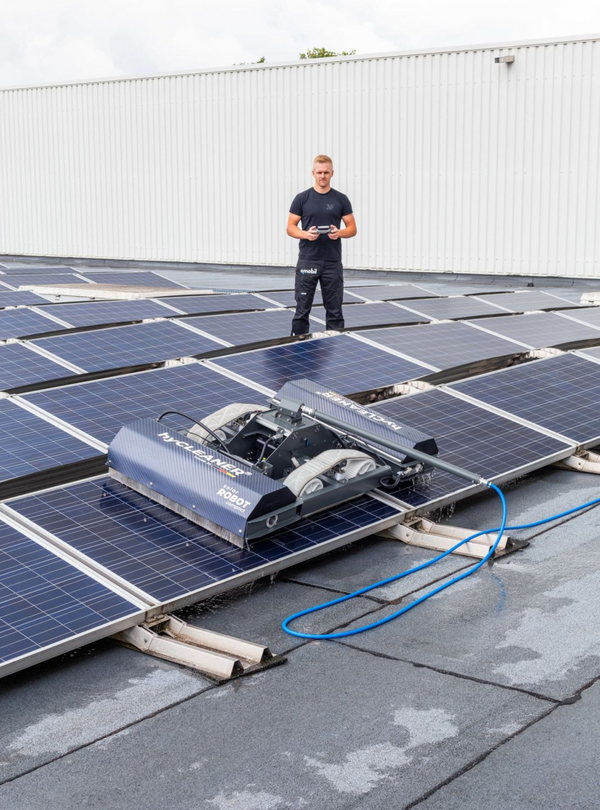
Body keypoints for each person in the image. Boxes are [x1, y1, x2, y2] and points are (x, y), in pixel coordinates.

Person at [286, 155, 357, 335]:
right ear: (313, 173)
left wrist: (339, 232)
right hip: (308, 261)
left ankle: (336, 348)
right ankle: (298, 348)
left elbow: (352, 228)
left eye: (326, 172)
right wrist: (306, 234)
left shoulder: (341, 199)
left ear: (332, 173)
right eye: (319, 172)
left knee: (335, 311)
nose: (322, 176)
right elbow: (290, 227)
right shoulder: (302, 198)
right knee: (302, 310)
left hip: (332, 263)